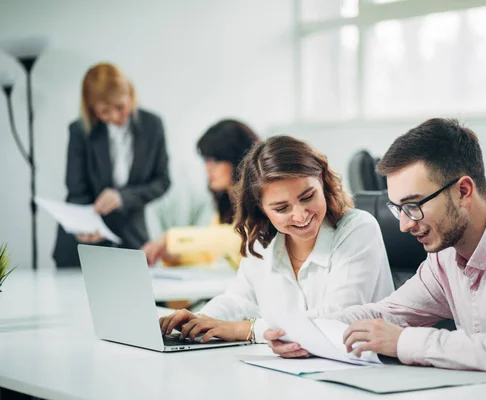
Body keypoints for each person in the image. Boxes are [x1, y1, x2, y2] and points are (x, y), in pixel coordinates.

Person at [266, 119, 486, 399]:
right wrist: (307, 331)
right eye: (398, 208)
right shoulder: (445, 260)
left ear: (463, 191)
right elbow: (386, 314)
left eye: (413, 205)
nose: (404, 223)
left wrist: (404, 342)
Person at [159, 135, 394, 343]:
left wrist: (247, 330)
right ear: (261, 209)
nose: (301, 215)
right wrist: (200, 321)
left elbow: (333, 320)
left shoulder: (358, 229)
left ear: (321, 179)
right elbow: (239, 298)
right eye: (281, 208)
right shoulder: (262, 241)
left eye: (308, 196)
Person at [53, 63, 170, 267]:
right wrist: (86, 225)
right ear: (91, 109)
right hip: (83, 245)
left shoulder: (153, 126)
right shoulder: (80, 131)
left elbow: (162, 181)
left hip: (131, 241)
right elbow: (76, 190)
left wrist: (123, 197)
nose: (115, 116)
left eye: (120, 107)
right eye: (105, 111)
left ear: (131, 96)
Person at [141, 119, 260, 269]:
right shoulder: (225, 202)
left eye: (215, 161)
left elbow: (237, 240)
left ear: (238, 159)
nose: (207, 169)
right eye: (206, 161)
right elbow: (211, 252)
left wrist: (170, 238)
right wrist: (175, 257)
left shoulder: (261, 199)